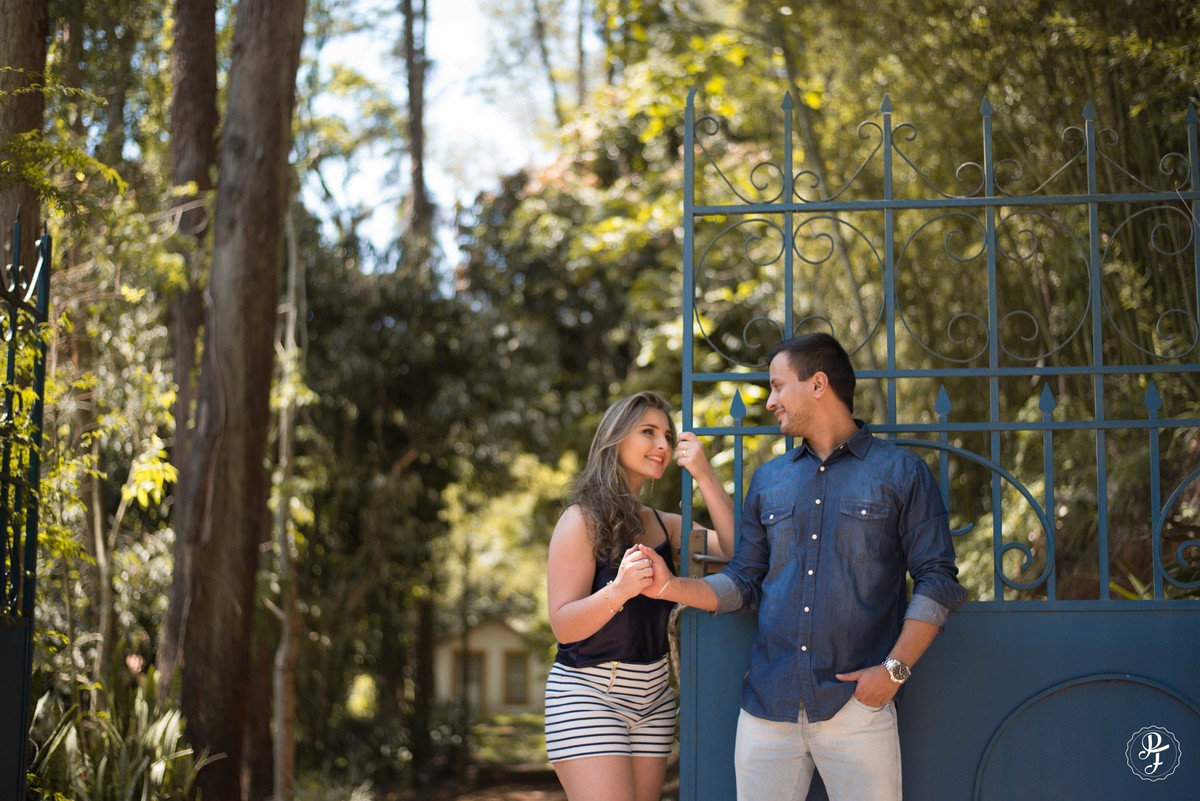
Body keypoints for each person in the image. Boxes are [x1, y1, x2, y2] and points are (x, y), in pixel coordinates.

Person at [637, 333, 967, 801]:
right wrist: (669, 586)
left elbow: (936, 579)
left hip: (857, 706)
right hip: (767, 706)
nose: (770, 401)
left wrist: (893, 672)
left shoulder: (901, 473)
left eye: (777, 386)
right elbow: (744, 581)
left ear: (817, 384)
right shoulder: (769, 479)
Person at [545, 391, 735, 801]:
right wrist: (620, 590)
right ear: (615, 438)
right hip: (590, 694)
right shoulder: (580, 520)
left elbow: (739, 552)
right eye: (648, 432)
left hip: (653, 700)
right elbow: (563, 626)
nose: (663, 444)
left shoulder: (665, 526)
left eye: (667, 435)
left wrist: (704, 475)